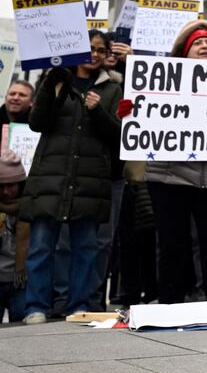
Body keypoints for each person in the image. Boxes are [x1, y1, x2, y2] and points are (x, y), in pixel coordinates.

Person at [127, 22, 207, 303]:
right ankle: (170, 303)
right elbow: (145, 119)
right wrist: (131, 112)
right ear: (184, 51)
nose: (205, 46)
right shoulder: (162, 83)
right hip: (169, 178)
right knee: (172, 245)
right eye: (197, 42)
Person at [18, 31, 122, 323]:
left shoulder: (114, 87)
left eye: (101, 50)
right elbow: (37, 123)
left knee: (85, 248)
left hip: (90, 180)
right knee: (41, 246)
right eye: (90, 48)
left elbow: (119, 135)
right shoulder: (55, 80)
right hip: (52, 177)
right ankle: (35, 306)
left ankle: (78, 305)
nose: (96, 53)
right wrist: (54, 86)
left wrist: (98, 111)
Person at [0, 151, 28, 321]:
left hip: (20, 282)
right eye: (1, 186)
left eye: (11, 186)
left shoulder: (28, 210)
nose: (6, 192)